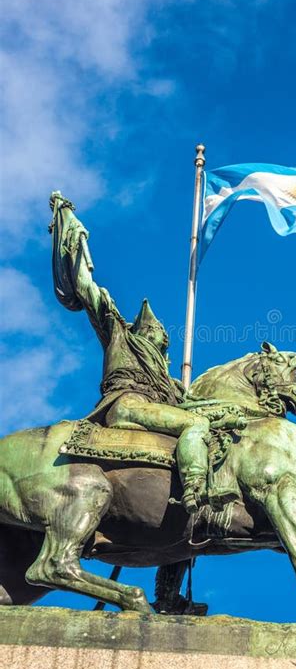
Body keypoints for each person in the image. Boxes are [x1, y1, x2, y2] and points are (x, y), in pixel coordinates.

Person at [49, 191, 242, 513]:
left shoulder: (169, 382)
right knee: (195, 425)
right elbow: (89, 292)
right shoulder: (120, 335)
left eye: (163, 336)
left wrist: (233, 412)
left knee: (202, 422)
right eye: (154, 332)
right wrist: (71, 234)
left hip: (152, 408)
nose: (160, 338)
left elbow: (196, 402)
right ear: (141, 331)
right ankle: (195, 489)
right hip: (129, 404)